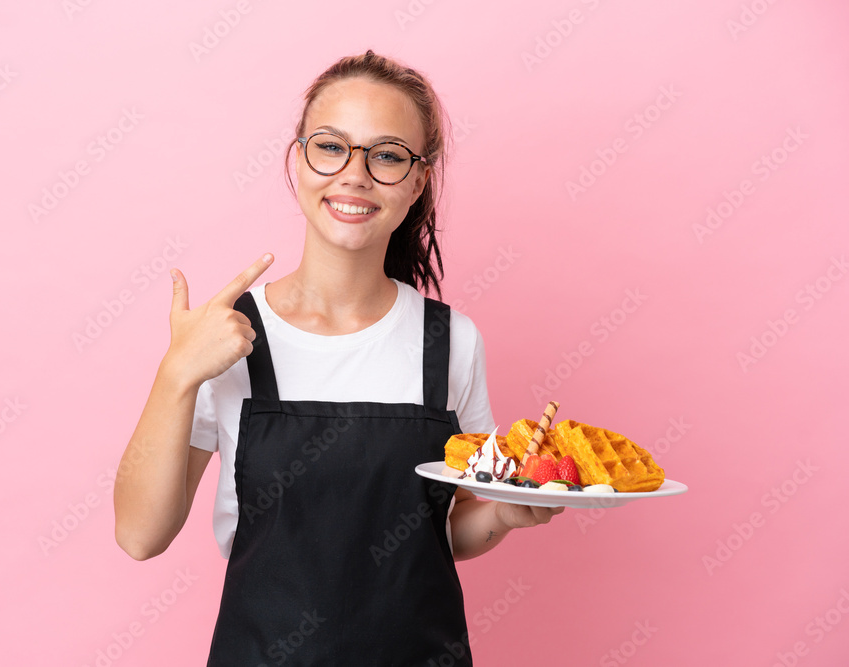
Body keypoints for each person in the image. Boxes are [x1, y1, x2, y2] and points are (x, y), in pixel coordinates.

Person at [113, 49, 564, 666]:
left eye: (386, 155)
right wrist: (176, 375)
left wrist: (506, 514)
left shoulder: (451, 341)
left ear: (417, 180)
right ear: (297, 160)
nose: (354, 174)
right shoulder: (228, 338)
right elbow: (140, 537)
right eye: (331, 146)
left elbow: (447, 532)